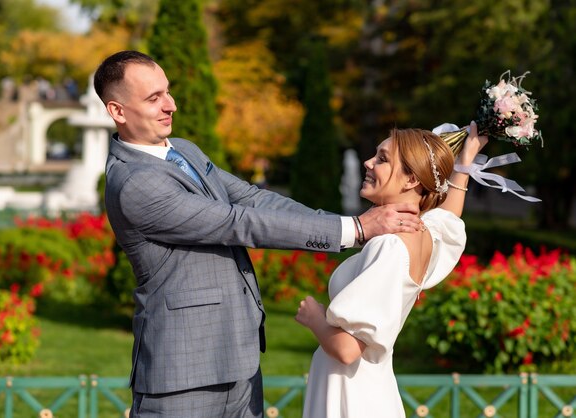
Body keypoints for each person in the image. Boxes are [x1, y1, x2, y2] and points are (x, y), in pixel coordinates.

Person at [93, 50, 422, 418]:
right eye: (153, 98)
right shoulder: (134, 184)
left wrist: (346, 224)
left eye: (167, 92)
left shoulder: (183, 149)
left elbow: (253, 198)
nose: (170, 105)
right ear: (117, 111)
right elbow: (237, 222)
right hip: (182, 375)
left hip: (240, 362)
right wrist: (358, 229)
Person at [295, 124, 487, 417]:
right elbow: (449, 216)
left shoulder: (389, 247)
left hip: (351, 397)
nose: (368, 163)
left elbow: (347, 349)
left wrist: (314, 317)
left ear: (411, 179)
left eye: (382, 159)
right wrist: (464, 163)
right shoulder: (422, 233)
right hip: (371, 388)